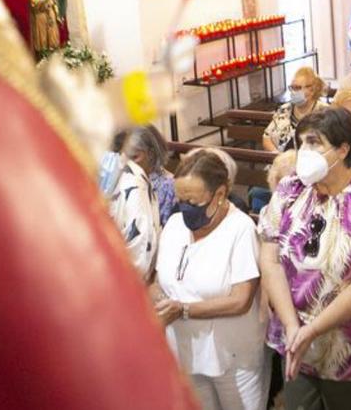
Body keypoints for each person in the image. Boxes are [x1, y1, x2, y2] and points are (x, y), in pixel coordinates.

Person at [257, 108, 351, 409]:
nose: (304, 152)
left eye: (314, 142)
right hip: (296, 338)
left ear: (343, 149)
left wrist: (312, 329)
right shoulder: (291, 188)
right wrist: (292, 326)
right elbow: (270, 259)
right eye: (301, 143)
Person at [152, 150, 267, 410]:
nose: (185, 209)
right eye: (181, 200)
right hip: (185, 352)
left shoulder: (240, 230)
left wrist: (183, 309)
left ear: (220, 194)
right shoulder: (174, 225)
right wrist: (157, 299)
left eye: (193, 202)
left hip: (232, 358)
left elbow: (240, 300)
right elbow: (160, 281)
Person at [109, 126, 165, 283]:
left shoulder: (110, 174)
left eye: (134, 157)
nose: (128, 163)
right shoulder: (136, 183)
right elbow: (141, 247)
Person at [263, 67, 326, 152]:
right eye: (292, 88)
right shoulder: (284, 109)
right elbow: (266, 137)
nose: (293, 92)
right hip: (280, 160)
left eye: (297, 88)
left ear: (311, 90)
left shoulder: (324, 112)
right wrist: (278, 155)